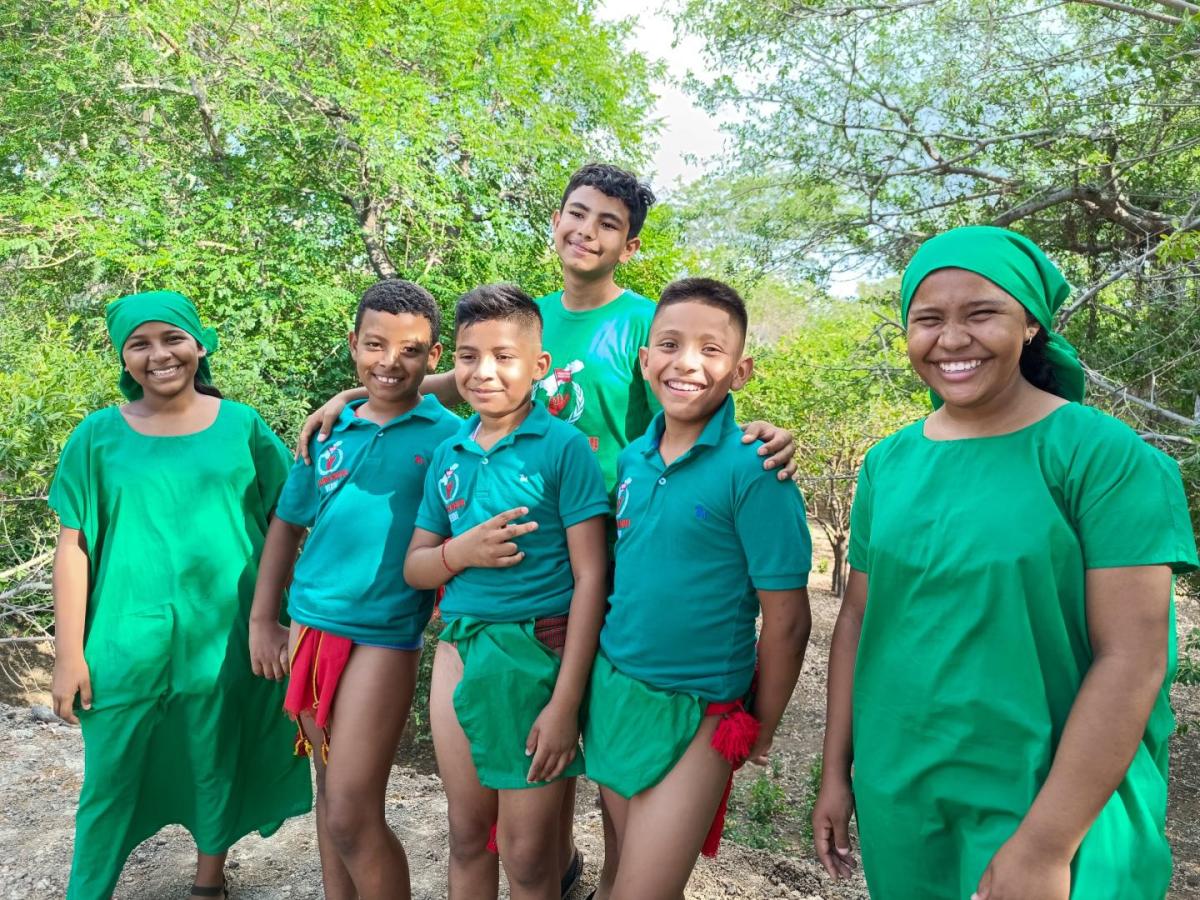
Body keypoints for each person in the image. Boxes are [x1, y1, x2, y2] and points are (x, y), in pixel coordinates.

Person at [296, 163, 799, 895]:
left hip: (608, 566)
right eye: (578, 213)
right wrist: (357, 394)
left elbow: (695, 394)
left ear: (630, 246)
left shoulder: (644, 323)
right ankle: (560, 875)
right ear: (556, 220)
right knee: (511, 809)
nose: (587, 231)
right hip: (508, 580)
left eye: (608, 223)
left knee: (574, 782)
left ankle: (568, 874)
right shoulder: (524, 318)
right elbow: (454, 378)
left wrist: (764, 435)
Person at [811, 226, 1199, 900]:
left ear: (1031, 325)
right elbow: (858, 622)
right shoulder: (887, 464)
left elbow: (1132, 659)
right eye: (928, 320)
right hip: (905, 799)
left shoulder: (1102, 457)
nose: (952, 339)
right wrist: (835, 773)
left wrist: (1045, 847)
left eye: (981, 313)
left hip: (1058, 805)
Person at [48, 290, 311, 900]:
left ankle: (208, 881)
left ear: (199, 344)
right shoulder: (96, 436)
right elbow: (73, 547)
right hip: (122, 641)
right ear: (123, 357)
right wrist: (69, 653)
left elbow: (289, 518)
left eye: (172, 338)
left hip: (224, 636)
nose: (159, 355)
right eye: (139, 343)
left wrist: (282, 619)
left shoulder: (242, 427)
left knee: (214, 753)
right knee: (110, 777)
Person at [583, 278, 813, 900]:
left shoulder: (757, 468)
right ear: (645, 360)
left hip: (701, 715)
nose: (687, 362)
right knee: (617, 872)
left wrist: (764, 721)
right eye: (670, 345)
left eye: (711, 350)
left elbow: (789, 620)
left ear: (740, 371)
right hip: (615, 695)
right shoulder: (632, 460)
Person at [249, 279, 460, 900]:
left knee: (350, 810)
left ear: (434, 355)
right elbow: (288, 523)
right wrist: (264, 619)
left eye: (411, 350)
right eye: (375, 345)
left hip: (385, 634)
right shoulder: (328, 429)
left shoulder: (451, 438)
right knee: (328, 791)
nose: (390, 362)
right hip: (310, 624)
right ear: (353, 343)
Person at [403, 284, 609, 900]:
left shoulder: (564, 448)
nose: (483, 372)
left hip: (537, 656)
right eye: (468, 356)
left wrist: (564, 704)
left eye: (503, 356)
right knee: (468, 836)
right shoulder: (449, 451)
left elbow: (591, 577)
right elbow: (416, 568)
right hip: (458, 651)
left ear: (539, 366)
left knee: (526, 856)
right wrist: (459, 554)